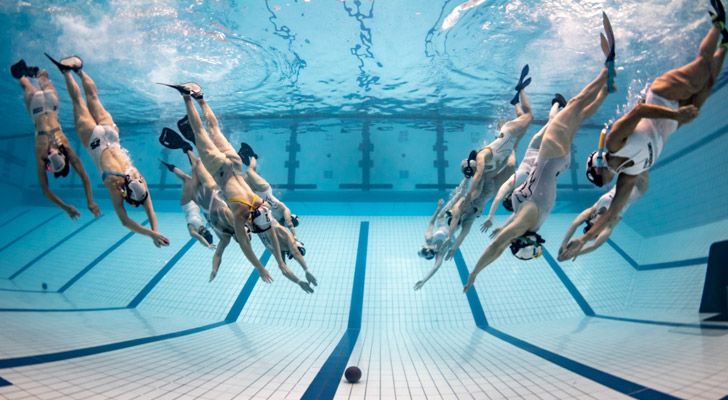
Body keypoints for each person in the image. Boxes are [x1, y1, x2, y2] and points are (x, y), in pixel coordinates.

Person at [462, 13, 615, 292]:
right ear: (520, 237)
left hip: (557, 161)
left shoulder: (528, 219)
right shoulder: (528, 218)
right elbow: (498, 245)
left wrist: (497, 222)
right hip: (549, 156)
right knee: (573, 109)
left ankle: (606, 87)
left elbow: (508, 228)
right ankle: (606, 73)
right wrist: (474, 273)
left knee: (575, 115)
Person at [572, 1, 727, 255]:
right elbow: (611, 215)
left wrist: (676, 112)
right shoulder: (629, 175)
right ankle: (725, 42)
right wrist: (584, 240)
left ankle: (718, 23)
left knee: (700, 72)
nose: (604, 183)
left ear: (600, 166)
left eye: (600, 180)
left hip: (661, 97)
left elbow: (640, 110)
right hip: (674, 121)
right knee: (708, 85)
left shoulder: (613, 142)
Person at [160, 82, 314, 293]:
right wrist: (261, 268)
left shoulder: (262, 208)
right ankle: (187, 97)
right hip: (220, 170)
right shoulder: (241, 216)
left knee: (213, 129)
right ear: (253, 223)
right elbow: (247, 248)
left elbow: (277, 246)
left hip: (235, 163)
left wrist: (295, 269)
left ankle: (201, 99)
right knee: (199, 134)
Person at [46, 54, 168, 247]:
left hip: (111, 134)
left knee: (93, 97)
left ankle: (79, 69)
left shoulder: (139, 179)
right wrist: (150, 234)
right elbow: (125, 221)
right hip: (94, 141)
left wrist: (155, 231)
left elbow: (150, 211)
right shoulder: (115, 187)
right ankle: (65, 71)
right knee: (78, 101)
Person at [445, 66, 535, 255]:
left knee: (528, 116)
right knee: (511, 166)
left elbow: (477, 178)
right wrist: (453, 246)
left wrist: (469, 196)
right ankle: (515, 101)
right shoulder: (468, 218)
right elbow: (462, 232)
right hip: (495, 178)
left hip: (507, 134)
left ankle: (519, 89)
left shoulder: (480, 158)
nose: (454, 214)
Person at [10, 60, 100, 220]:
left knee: (43, 76)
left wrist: (90, 201)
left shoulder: (66, 149)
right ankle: (24, 75)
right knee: (24, 83)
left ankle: (35, 72)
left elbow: (85, 179)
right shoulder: (41, 155)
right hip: (37, 109)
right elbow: (45, 191)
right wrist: (68, 207)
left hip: (51, 105)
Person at [480, 94, 567, 233]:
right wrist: (496, 222)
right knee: (553, 125)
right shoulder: (520, 186)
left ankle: (559, 105)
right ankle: (559, 106)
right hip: (538, 152)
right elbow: (510, 209)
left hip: (538, 151)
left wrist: (495, 220)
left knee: (552, 124)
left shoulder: (520, 185)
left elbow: (505, 205)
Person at [558, 172, 648, 261]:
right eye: (594, 233)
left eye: (591, 224)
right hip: (639, 188)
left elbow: (575, 224)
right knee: (644, 164)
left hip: (624, 182)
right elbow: (594, 246)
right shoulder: (608, 226)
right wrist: (573, 253)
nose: (594, 222)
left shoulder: (593, 211)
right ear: (598, 232)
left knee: (635, 162)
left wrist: (564, 243)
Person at [238, 142, 300, 236]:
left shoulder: (278, 221)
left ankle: (243, 157)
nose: (288, 223)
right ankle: (254, 156)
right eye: (291, 221)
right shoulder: (286, 211)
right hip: (264, 189)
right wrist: (294, 236)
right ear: (291, 217)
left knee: (244, 178)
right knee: (250, 172)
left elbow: (277, 229)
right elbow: (289, 223)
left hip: (257, 194)